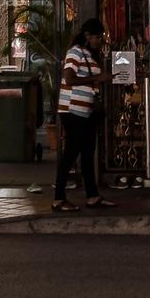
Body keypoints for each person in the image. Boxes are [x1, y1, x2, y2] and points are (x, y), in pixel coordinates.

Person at [53, 18, 116, 212]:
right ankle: (58, 198)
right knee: (71, 153)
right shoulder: (75, 52)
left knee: (88, 153)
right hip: (73, 110)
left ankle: (92, 195)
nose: (100, 40)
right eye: (98, 37)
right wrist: (98, 78)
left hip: (86, 110)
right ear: (88, 36)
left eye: (101, 37)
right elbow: (69, 78)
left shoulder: (90, 54)